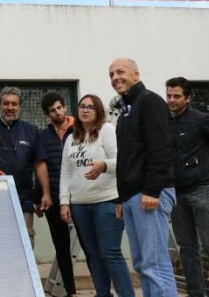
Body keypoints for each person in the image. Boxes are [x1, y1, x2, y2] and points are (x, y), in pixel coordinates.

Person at [108, 57, 177, 296]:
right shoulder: (126, 111)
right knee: (141, 264)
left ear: (136, 75)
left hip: (148, 194)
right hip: (132, 197)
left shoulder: (150, 102)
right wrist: (121, 197)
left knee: (154, 264)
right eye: (111, 75)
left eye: (120, 72)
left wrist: (152, 190)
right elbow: (128, 158)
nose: (115, 78)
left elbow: (160, 149)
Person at [59, 94, 134, 297]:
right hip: (79, 204)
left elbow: (121, 161)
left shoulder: (107, 130)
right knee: (93, 254)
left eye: (90, 107)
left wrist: (104, 165)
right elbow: (65, 172)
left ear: (98, 110)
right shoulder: (71, 137)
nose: (85, 110)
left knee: (109, 253)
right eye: (82, 106)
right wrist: (64, 202)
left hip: (106, 201)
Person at [0, 86, 53, 248]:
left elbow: (39, 164)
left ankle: (23, 274)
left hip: (23, 196)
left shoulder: (31, 131)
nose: (10, 108)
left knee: (25, 240)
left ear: (19, 106)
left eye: (14, 104)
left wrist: (46, 193)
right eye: (6, 103)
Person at [166, 77, 209, 297]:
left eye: (177, 96)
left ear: (188, 98)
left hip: (203, 189)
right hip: (176, 192)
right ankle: (196, 294)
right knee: (187, 250)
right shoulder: (164, 121)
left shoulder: (201, 120)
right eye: (169, 96)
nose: (172, 100)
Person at [38, 92, 77, 296]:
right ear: (48, 114)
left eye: (59, 107)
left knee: (91, 246)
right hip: (53, 197)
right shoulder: (42, 136)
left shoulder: (80, 129)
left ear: (64, 107)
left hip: (81, 197)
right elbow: (38, 167)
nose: (57, 112)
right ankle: (70, 292)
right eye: (52, 110)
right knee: (62, 248)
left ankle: (103, 290)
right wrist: (40, 198)